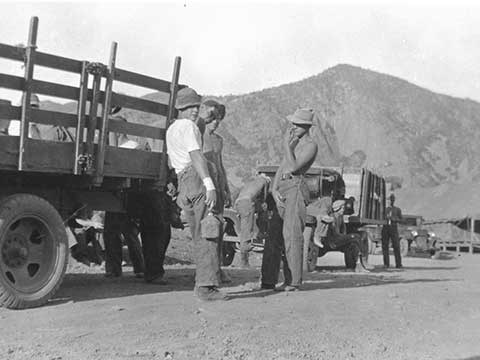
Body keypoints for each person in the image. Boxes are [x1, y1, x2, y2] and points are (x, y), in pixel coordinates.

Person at [166, 87, 227, 301]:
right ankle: (206, 287)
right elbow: (196, 156)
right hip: (197, 179)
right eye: (189, 107)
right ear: (181, 108)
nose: (193, 110)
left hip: (184, 183)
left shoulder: (172, 129)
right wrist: (209, 184)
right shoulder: (190, 127)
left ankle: (202, 282)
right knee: (209, 232)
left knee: (197, 234)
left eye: (195, 106)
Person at [261, 108, 318, 291]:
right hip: (284, 189)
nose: (292, 126)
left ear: (306, 126)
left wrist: (286, 145)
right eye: (292, 123)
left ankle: (293, 281)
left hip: (295, 188)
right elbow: (282, 167)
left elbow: (293, 167)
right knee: (273, 236)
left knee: (292, 235)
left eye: (297, 124)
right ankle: (268, 280)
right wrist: (274, 188)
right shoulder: (295, 143)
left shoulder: (310, 145)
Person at [103, 117, 146, 278]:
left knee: (124, 232)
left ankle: (117, 268)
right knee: (123, 232)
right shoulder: (133, 146)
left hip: (124, 194)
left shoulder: (130, 147)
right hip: (122, 194)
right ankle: (136, 268)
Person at [201, 100, 232, 282]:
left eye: (219, 119)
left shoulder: (219, 140)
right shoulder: (197, 136)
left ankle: (217, 269)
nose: (216, 122)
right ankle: (205, 271)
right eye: (213, 118)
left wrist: (226, 188)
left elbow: (220, 165)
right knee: (205, 229)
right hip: (205, 188)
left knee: (219, 228)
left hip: (218, 187)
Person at [234, 175, 270, 268]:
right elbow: (264, 198)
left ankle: (260, 232)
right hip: (247, 203)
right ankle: (244, 262)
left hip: (238, 203)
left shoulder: (251, 183)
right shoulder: (265, 181)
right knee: (246, 233)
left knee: (261, 210)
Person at [382, 193, 403, 268]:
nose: (391, 201)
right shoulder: (384, 209)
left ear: (394, 200)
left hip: (394, 228)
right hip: (385, 228)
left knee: (396, 246)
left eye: (392, 199)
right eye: (389, 199)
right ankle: (386, 264)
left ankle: (398, 264)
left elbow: (401, 219)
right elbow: (380, 218)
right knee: (385, 247)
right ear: (387, 200)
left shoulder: (397, 209)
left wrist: (395, 219)